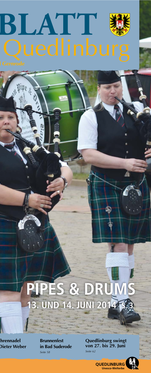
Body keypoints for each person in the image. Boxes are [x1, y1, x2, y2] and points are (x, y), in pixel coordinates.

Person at [0, 94, 72, 334]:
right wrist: (28, 199)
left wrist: (62, 181)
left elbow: (63, 166)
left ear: (17, 121)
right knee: (9, 290)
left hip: (32, 224)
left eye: (11, 117)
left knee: (25, 288)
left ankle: (13, 342)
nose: (6, 122)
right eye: (0, 117)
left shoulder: (30, 148)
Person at [78, 71, 151, 325]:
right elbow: (88, 155)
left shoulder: (136, 111)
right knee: (118, 243)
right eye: (108, 87)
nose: (113, 91)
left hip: (136, 184)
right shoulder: (91, 117)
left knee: (129, 244)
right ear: (98, 89)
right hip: (107, 184)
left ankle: (115, 301)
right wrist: (125, 162)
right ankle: (123, 301)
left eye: (116, 86)